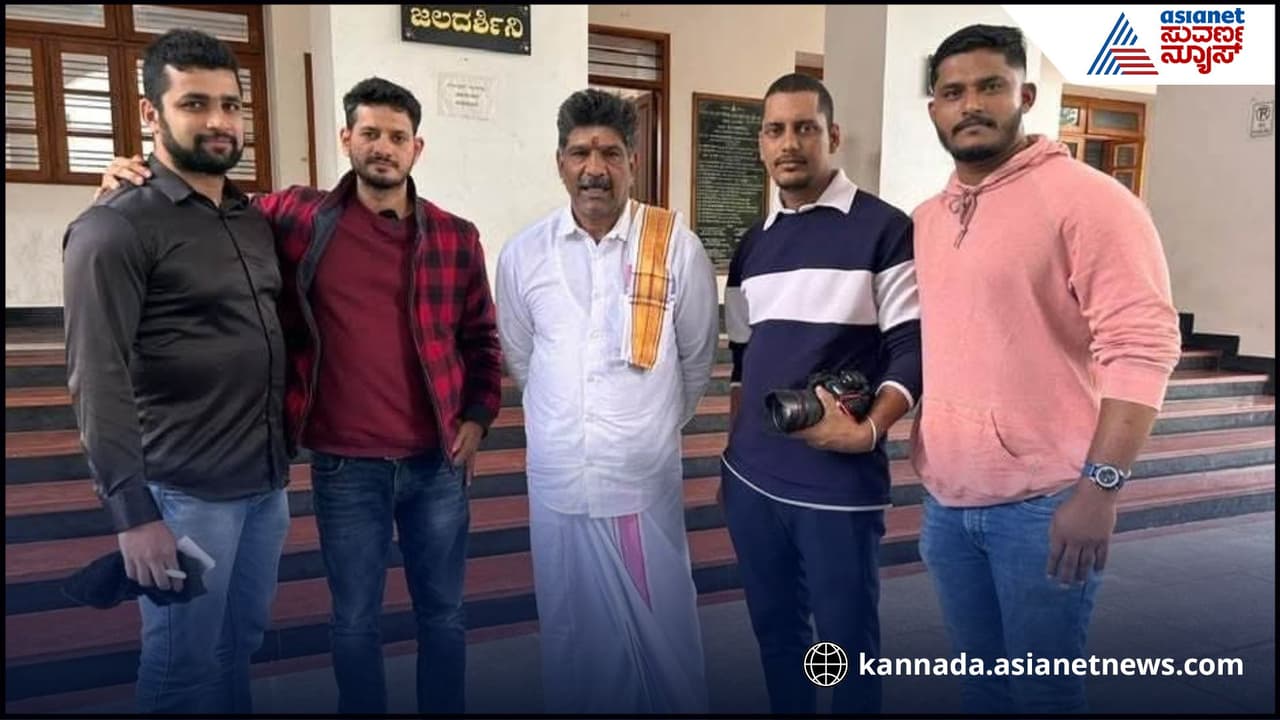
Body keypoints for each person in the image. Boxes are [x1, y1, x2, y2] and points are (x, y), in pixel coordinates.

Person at [97, 77, 503, 714]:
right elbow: (211, 201)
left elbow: (482, 339)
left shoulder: (456, 237)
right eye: (370, 133)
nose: (383, 147)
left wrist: (477, 417)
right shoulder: (297, 217)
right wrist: (138, 181)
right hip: (346, 468)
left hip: (436, 464)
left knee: (445, 615)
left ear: (417, 148)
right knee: (354, 622)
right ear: (346, 138)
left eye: (397, 137)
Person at [912, 24, 1182, 713]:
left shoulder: (1091, 201)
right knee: (979, 687)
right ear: (934, 108)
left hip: (1045, 506)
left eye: (990, 86)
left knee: (1043, 693)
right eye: (953, 92)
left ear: (1026, 96)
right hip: (948, 501)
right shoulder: (929, 219)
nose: (971, 104)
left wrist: (1100, 491)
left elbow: (1143, 347)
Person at [65, 29, 290, 713]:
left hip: (264, 487)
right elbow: (95, 377)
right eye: (195, 103)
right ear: (150, 113)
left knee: (240, 645)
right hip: (185, 497)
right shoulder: (115, 228)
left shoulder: (249, 217)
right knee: (181, 665)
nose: (219, 121)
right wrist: (134, 516)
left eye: (231, 105)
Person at [495, 88, 718, 713]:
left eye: (610, 153)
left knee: (662, 632)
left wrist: (644, 429)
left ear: (633, 162)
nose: (594, 168)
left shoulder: (674, 246)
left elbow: (697, 360)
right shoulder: (524, 253)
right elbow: (522, 357)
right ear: (559, 162)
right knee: (571, 633)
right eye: (580, 153)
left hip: (640, 485)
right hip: (559, 479)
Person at [720, 72, 922, 714]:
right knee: (778, 638)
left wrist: (869, 430)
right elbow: (741, 356)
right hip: (751, 481)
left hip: (836, 487)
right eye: (775, 130)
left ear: (832, 136)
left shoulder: (885, 230)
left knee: (843, 650)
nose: (790, 143)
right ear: (761, 143)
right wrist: (732, 454)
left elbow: (911, 348)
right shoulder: (751, 244)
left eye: (805, 128)